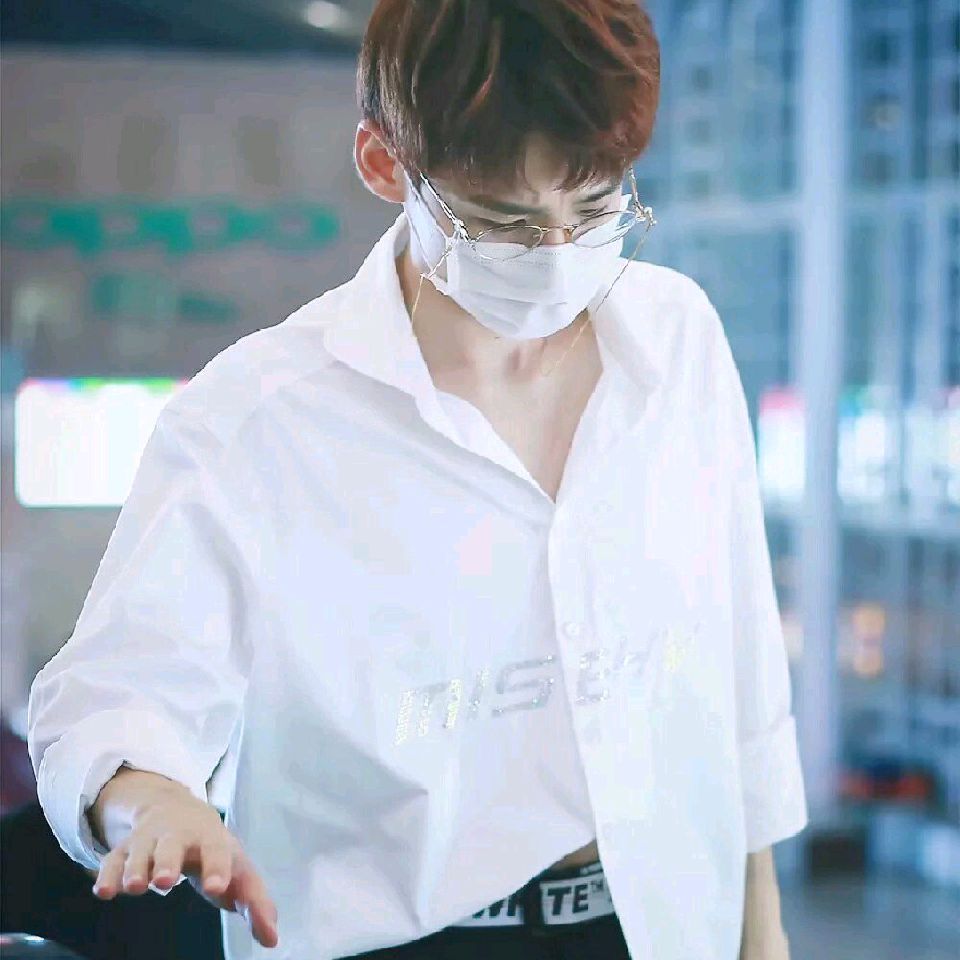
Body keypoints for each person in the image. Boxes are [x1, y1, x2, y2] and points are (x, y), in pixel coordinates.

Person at [26, 1, 808, 959]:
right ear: (385, 163)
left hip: (655, 922)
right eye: (503, 223)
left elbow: (737, 671)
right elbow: (111, 696)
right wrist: (150, 800)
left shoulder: (676, 342)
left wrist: (762, 936)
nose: (556, 258)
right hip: (398, 940)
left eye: (595, 210)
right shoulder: (263, 418)